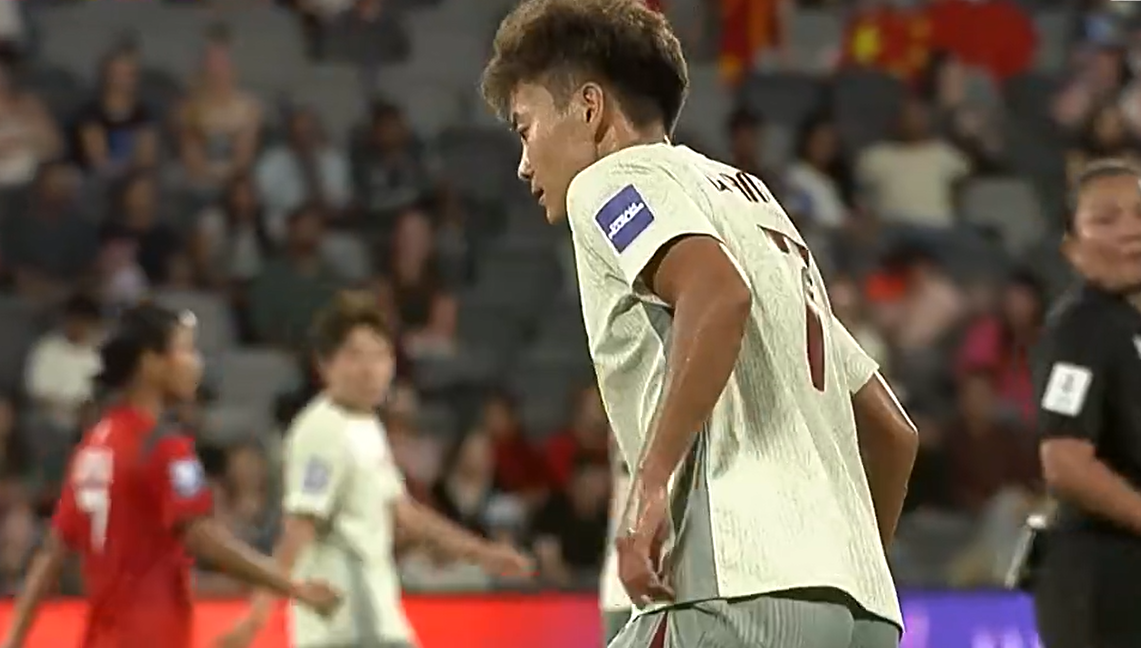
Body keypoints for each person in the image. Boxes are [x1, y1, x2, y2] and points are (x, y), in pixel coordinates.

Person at [479, 1, 918, 646]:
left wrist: (649, 487)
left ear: (590, 108)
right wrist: (844, 568)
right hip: (862, 611)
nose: (523, 163)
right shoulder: (754, 205)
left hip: (737, 585)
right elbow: (893, 432)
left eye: (525, 128)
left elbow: (716, 294)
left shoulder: (608, 179)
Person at [0, 303, 340, 648]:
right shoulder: (164, 446)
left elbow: (52, 553)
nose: (197, 363)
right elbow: (202, 538)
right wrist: (292, 586)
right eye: (186, 350)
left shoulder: (95, 443)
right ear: (151, 362)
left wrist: (13, 640)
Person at [217, 291, 533, 648]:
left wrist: (483, 554)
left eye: (380, 355)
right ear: (324, 364)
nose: (370, 369)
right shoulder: (321, 431)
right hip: (341, 626)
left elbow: (407, 515)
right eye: (354, 355)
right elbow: (298, 530)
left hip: (378, 619)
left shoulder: (366, 425)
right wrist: (255, 619)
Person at [1032, 159, 1141, 648]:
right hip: (1102, 582)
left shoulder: (1127, 325)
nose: (1131, 230)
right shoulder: (1082, 328)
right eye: (1106, 219)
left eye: (1140, 214)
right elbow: (1066, 463)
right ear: (1072, 247)